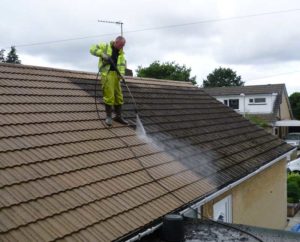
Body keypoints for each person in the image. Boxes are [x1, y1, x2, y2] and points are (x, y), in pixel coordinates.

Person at [90, 36, 128, 126]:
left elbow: (122, 65)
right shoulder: (105, 46)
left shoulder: (121, 53)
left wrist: (122, 74)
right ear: (116, 42)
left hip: (116, 76)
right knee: (109, 96)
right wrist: (102, 54)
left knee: (119, 96)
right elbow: (92, 49)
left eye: (123, 45)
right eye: (121, 45)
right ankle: (109, 117)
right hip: (107, 74)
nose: (122, 47)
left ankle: (118, 116)